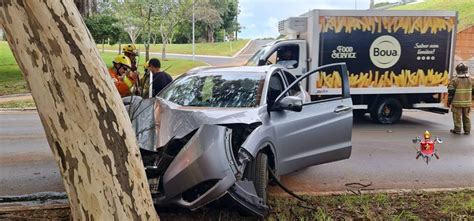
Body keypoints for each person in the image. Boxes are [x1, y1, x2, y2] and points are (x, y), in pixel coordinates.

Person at [447, 63, 472, 135]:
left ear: (457, 71)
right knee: (466, 117)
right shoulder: (471, 80)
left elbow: (451, 92)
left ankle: (457, 130)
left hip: (457, 103)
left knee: (457, 117)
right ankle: (467, 130)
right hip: (467, 103)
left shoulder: (454, 80)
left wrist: (449, 102)